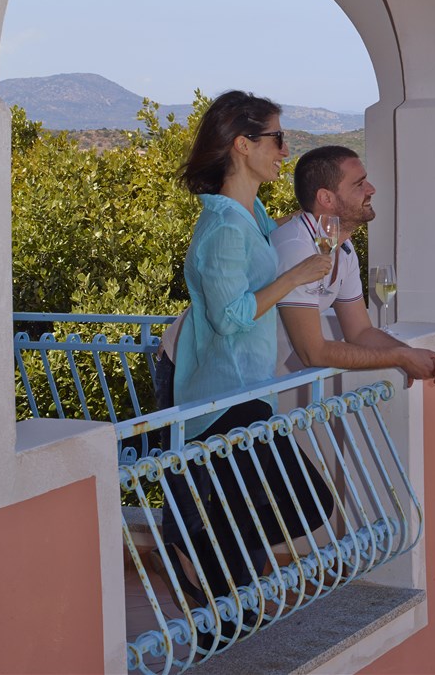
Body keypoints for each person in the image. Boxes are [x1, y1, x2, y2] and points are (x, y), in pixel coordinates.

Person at [168, 90, 334, 629]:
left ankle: (204, 564)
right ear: (243, 145)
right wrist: (295, 277)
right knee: (309, 503)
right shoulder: (221, 228)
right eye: (277, 138)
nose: (285, 151)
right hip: (223, 397)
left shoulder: (252, 215)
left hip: (248, 391)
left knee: (255, 516)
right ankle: (197, 556)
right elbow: (230, 316)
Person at [273, 145, 435, 386]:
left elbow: (360, 332)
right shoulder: (296, 248)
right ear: (326, 198)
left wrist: (411, 355)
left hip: (256, 387)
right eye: (359, 184)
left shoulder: (342, 248)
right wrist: (400, 356)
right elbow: (313, 352)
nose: (371, 189)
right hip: (225, 393)